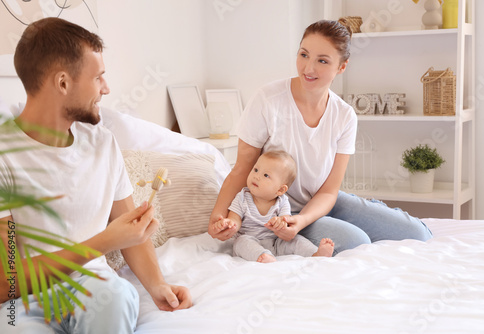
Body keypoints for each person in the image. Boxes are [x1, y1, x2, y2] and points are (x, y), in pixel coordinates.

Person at [0, 17, 191, 333]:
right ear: (63, 83)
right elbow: (7, 282)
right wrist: (103, 241)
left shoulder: (103, 144)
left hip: (96, 289)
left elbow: (130, 228)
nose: (106, 88)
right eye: (98, 77)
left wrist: (159, 286)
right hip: (23, 303)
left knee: (115, 297)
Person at [208, 20, 432, 255]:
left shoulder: (344, 115)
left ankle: (366, 209)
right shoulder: (268, 100)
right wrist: (218, 215)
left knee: (419, 234)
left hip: (324, 200)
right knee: (356, 241)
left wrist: (304, 220)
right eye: (304, 55)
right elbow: (242, 169)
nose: (308, 68)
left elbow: (329, 190)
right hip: (279, 210)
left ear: (342, 67)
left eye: (322, 61)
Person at [213, 151, 334, 263]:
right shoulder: (242, 197)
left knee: (297, 240)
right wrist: (230, 224)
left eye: (266, 175)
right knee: (240, 242)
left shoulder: (282, 201)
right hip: (251, 240)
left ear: (281, 189)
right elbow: (235, 218)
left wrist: (280, 223)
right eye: (255, 170)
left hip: (277, 243)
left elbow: (285, 221)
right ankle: (262, 256)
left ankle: (315, 253)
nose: (257, 176)